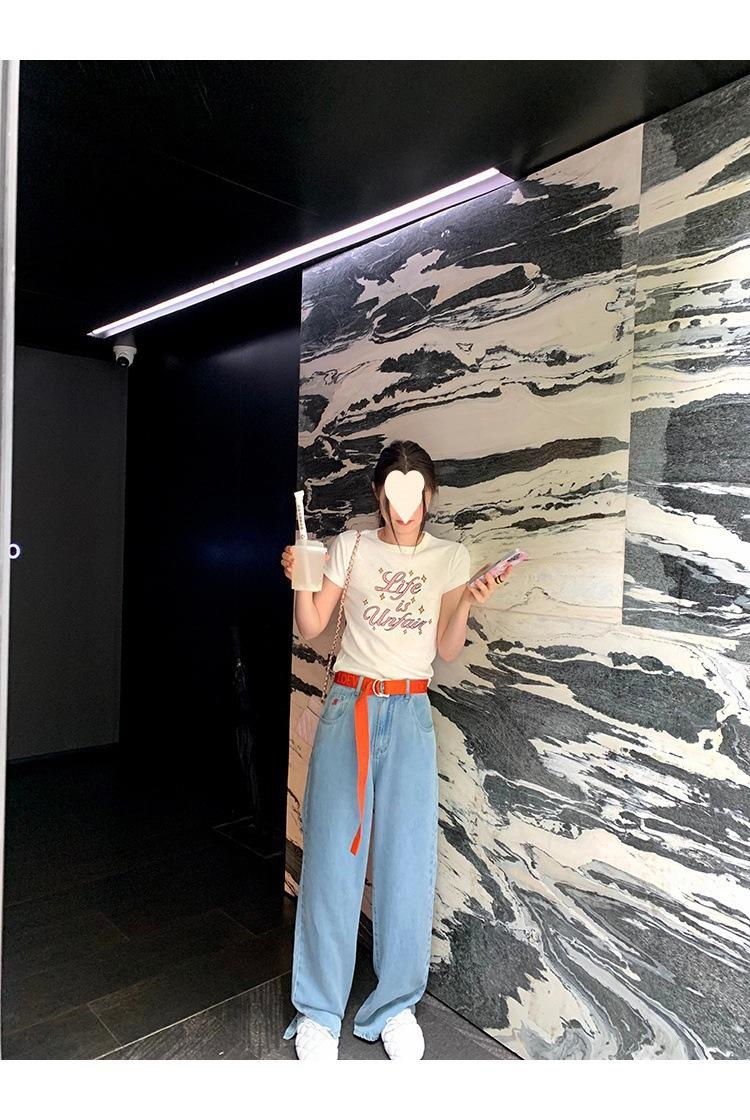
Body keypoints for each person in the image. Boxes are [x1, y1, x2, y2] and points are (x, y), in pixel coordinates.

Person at [279, 440, 508, 1060]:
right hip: (349, 707)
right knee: (332, 859)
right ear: (380, 494)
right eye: (393, 493)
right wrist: (301, 577)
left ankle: (395, 1006)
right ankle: (318, 1011)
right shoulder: (350, 547)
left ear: (428, 496)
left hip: (409, 713)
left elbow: (447, 649)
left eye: (416, 494)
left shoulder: (450, 557)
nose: (405, 507)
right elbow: (311, 627)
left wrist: (467, 601)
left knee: (407, 863)